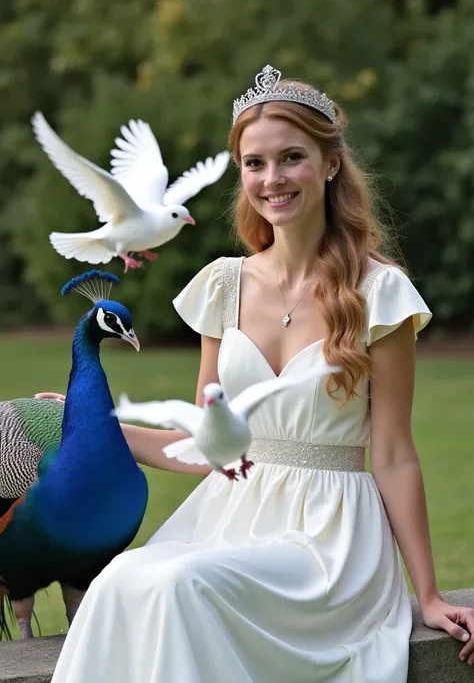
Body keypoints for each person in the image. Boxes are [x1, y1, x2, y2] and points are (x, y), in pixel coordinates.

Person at [43, 65, 474, 682]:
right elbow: (206, 445)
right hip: (229, 517)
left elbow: (396, 455)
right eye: (254, 163)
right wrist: (86, 421)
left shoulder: (381, 293)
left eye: (291, 157)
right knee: (125, 578)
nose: (271, 179)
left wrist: (428, 595)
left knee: (182, 582)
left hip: (330, 541)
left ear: (329, 164)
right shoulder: (224, 285)